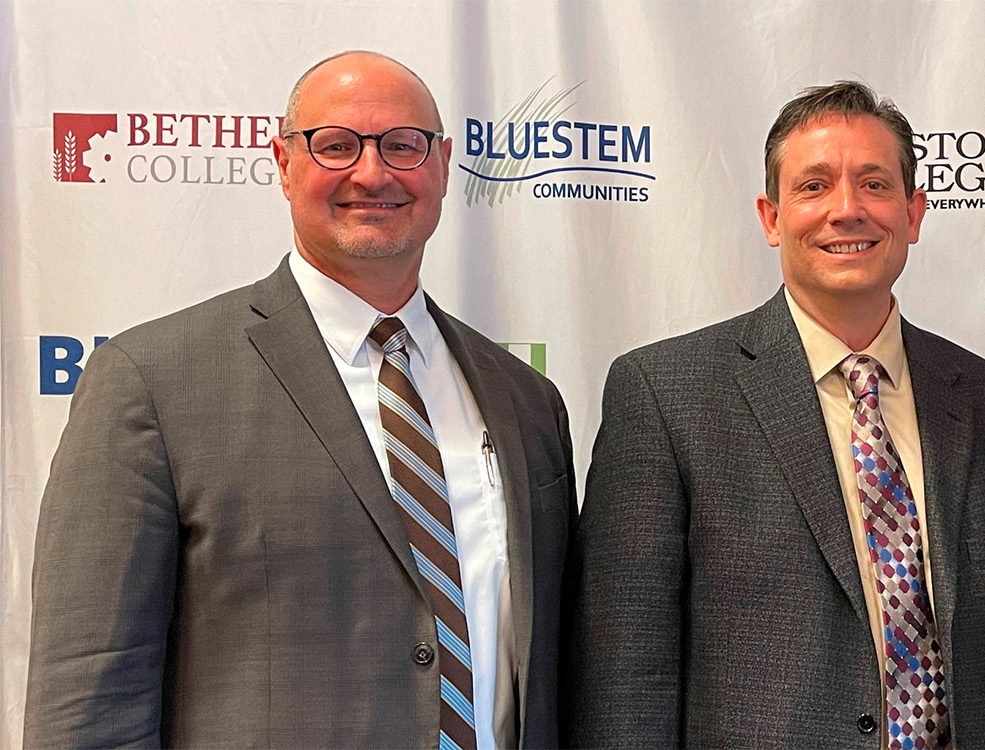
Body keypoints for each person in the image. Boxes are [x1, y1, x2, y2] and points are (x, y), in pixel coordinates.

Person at [24, 51, 575, 749]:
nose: (373, 174)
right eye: (336, 145)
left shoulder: (525, 400)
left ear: (441, 166)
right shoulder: (150, 381)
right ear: (283, 165)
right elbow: (88, 694)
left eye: (403, 146)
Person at [565, 81, 985, 749]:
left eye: (874, 184)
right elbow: (625, 681)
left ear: (915, 213)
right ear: (771, 217)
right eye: (813, 186)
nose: (846, 210)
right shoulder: (664, 396)